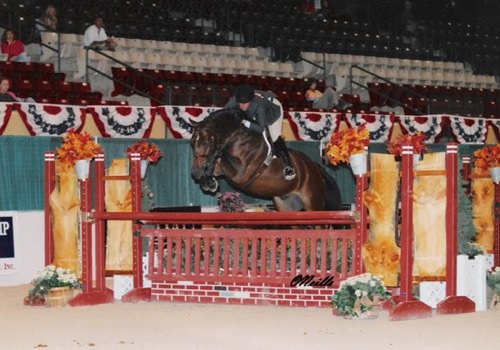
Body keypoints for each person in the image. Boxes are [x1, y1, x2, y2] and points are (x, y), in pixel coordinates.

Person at [225, 84, 296, 181]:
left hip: (272, 111)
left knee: (274, 136)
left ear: (250, 101)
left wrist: (244, 121)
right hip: (253, 111)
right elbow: (224, 115)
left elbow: (260, 129)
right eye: (240, 103)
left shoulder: (260, 106)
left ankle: (288, 167)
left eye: (244, 103)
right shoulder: (234, 100)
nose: (241, 106)